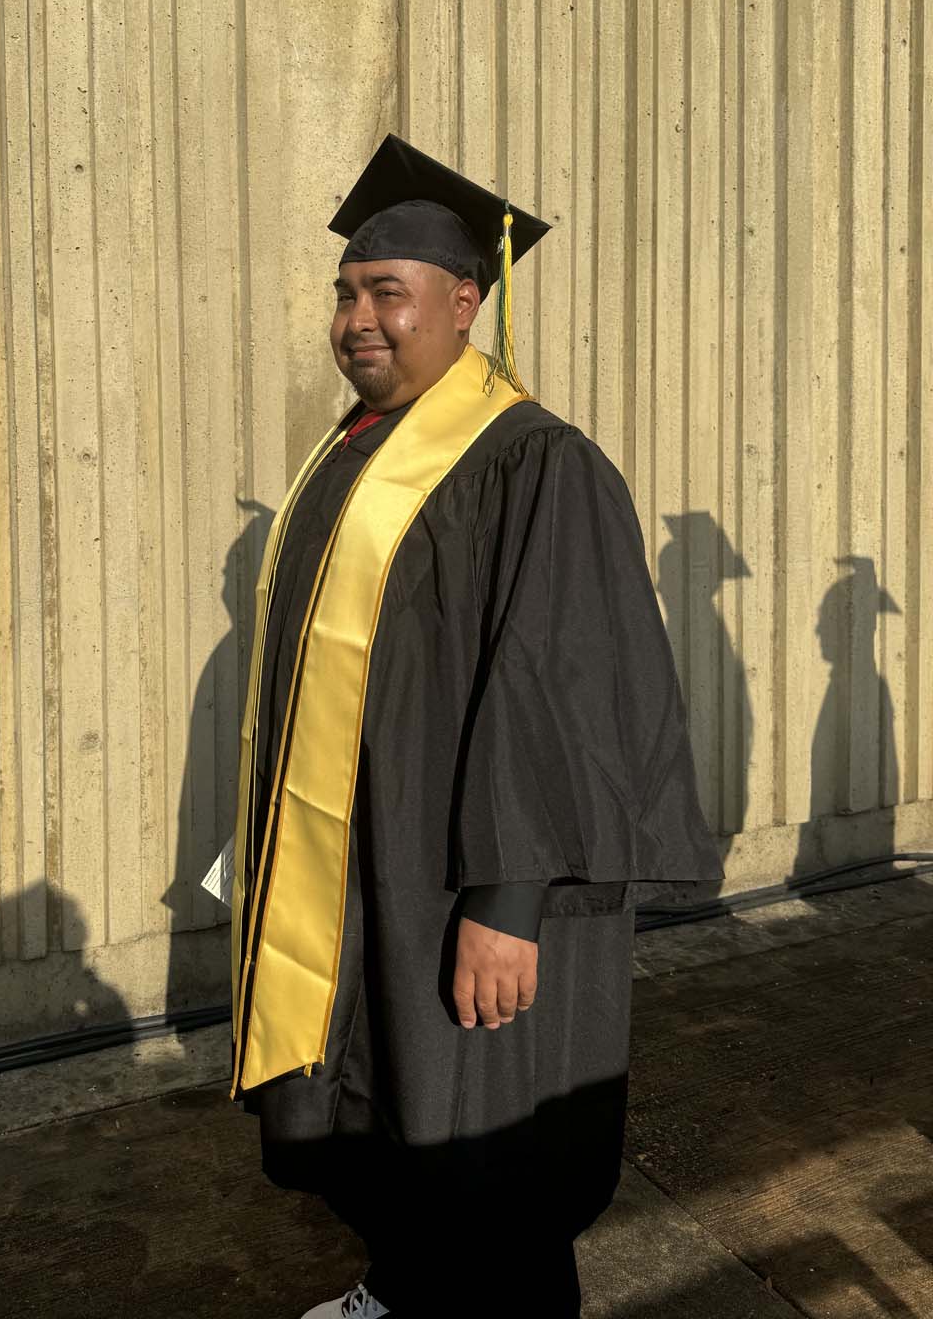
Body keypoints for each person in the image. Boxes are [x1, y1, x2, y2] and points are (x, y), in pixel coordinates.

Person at [229, 134, 723, 1318]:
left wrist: (508, 906)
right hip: (371, 876)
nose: (357, 318)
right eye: (347, 293)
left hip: (473, 887)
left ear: (465, 302)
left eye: (385, 292)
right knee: (386, 1119)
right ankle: (398, 1287)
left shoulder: (536, 465)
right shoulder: (353, 459)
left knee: (483, 1153)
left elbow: (563, 692)